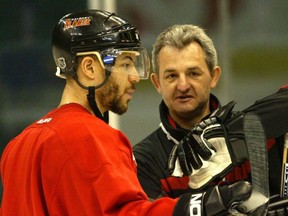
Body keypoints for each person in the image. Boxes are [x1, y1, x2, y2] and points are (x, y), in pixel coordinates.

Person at [0, 10, 254, 215]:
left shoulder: (17, 147)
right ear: (89, 67)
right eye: (125, 64)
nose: (135, 76)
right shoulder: (92, 136)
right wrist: (202, 205)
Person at [133, 24, 288, 201]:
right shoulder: (143, 162)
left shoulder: (262, 132)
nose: (183, 86)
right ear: (157, 83)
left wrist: (231, 135)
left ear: (214, 76)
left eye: (193, 73)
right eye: (171, 76)